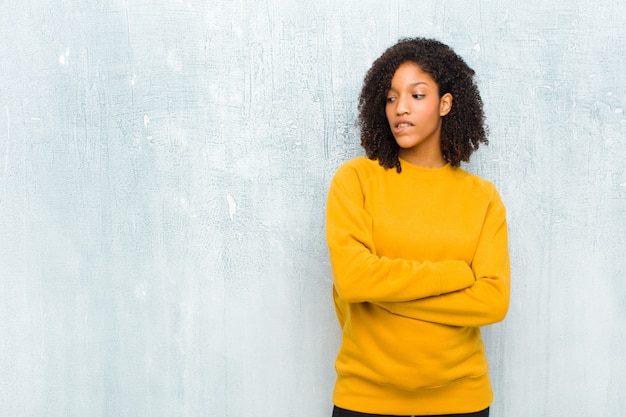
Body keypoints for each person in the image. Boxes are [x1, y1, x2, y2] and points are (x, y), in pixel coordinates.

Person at [325, 37, 510, 417]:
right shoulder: (356, 180)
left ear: (445, 103)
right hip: (365, 401)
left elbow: (493, 301)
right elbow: (354, 280)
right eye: (391, 97)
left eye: (417, 95)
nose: (400, 109)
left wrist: (386, 297)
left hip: (462, 402)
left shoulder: (482, 197)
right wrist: (455, 275)